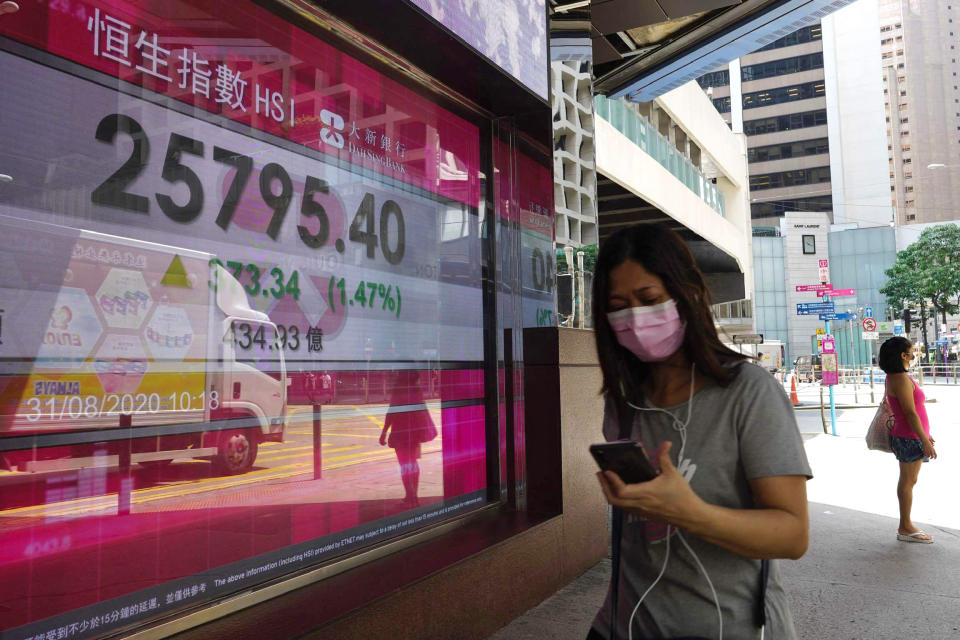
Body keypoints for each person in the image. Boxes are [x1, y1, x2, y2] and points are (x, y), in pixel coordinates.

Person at [587, 224, 812, 640]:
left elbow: (793, 534)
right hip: (626, 625)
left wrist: (690, 514)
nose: (634, 317)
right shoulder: (624, 401)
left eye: (649, 300)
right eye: (618, 306)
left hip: (727, 627)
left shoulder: (749, 393)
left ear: (688, 293)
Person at [878, 337, 936, 544]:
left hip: (910, 435)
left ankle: (905, 524)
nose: (915, 353)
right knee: (907, 481)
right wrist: (925, 440)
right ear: (903, 356)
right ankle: (905, 526)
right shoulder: (900, 379)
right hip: (908, 437)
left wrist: (926, 435)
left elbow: (914, 412)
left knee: (909, 480)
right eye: (912, 350)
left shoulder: (898, 376)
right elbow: (910, 413)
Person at [379, 369, 437, 507]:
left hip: (400, 431)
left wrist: (384, 432)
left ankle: (411, 498)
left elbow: (391, 412)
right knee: (413, 463)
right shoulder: (416, 389)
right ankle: (413, 497)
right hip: (415, 432)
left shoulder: (399, 389)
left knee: (404, 464)